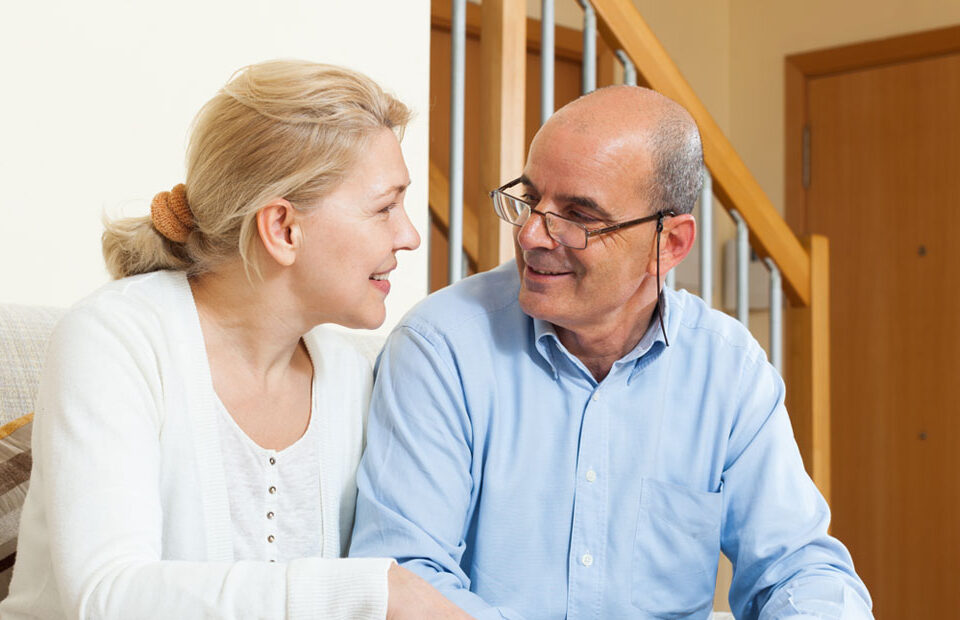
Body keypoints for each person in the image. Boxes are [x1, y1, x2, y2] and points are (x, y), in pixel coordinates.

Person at [349, 86, 873, 619]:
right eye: (530, 198)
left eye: (577, 215)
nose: (531, 234)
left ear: (669, 244)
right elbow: (406, 575)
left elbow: (799, 568)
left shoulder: (727, 369)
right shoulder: (443, 347)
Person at [0, 60, 469, 620]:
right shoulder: (115, 339)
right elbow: (107, 597)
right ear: (282, 228)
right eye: (385, 207)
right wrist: (371, 593)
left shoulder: (351, 372)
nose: (411, 235)